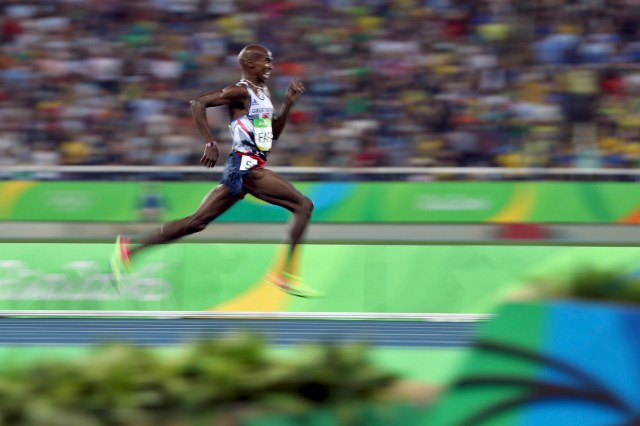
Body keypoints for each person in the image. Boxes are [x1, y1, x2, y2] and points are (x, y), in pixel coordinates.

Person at [110, 44, 321, 298]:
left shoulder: (262, 92)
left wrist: (287, 105)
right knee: (303, 205)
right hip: (246, 166)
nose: (271, 65)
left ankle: (129, 249)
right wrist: (209, 141)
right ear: (251, 63)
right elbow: (198, 102)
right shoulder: (239, 92)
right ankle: (285, 273)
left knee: (196, 223)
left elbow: (273, 134)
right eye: (267, 61)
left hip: (245, 167)